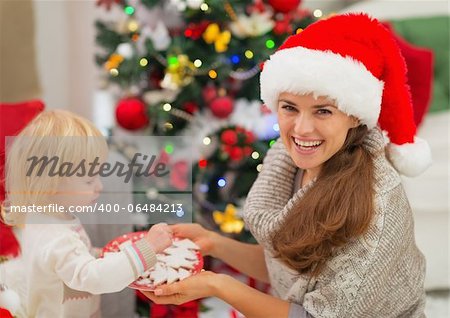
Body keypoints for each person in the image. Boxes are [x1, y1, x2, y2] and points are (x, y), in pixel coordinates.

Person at [142, 13, 432, 318]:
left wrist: (219, 286)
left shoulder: (374, 205)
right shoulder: (289, 163)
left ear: (354, 116)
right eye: (289, 108)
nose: (302, 129)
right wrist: (213, 243)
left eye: (323, 111)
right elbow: (293, 271)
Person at [3, 110, 173, 317]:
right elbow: (95, 278)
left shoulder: (47, 218)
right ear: (50, 185)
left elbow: (71, 259)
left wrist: (101, 254)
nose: (99, 187)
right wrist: (148, 248)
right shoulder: (57, 238)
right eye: (89, 180)